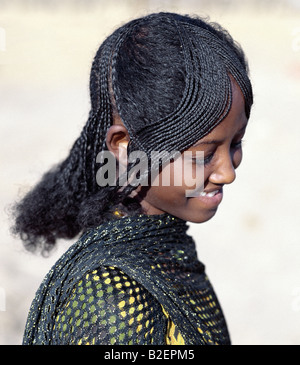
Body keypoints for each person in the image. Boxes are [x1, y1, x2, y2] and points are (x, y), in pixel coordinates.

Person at [13, 12, 253, 345]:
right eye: (203, 155)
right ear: (126, 147)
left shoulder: (167, 249)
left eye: (236, 143)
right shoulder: (113, 300)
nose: (228, 172)